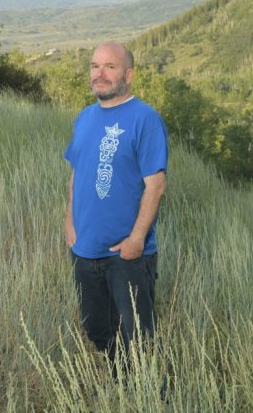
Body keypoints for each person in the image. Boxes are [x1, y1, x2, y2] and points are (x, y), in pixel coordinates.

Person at [63, 42, 168, 371]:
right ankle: (118, 385)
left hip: (127, 256)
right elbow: (75, 174)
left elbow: (156, 185)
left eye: (110, 67)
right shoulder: (84, 117)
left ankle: (147, 395)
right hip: (85, 250)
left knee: (137, 338)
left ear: (129, 74)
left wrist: (136, 241)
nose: (100, 74)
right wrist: (70, 227)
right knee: (97, 331)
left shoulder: (145, 119)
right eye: (95, 66)